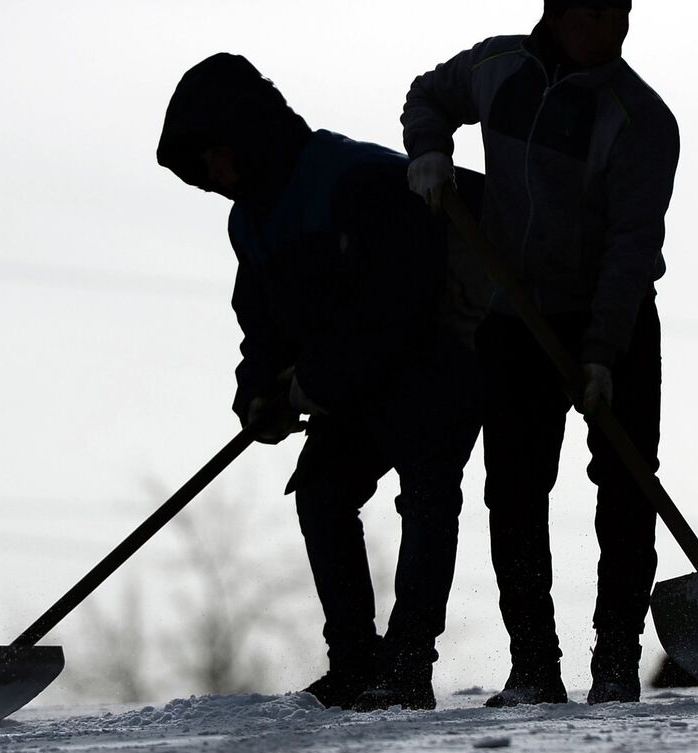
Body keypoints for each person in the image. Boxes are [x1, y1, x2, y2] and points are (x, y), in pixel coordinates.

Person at [159, 53, 481, 711]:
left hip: (437, 363)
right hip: (351, 387)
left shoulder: (356, 179)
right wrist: (259, 394)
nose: (211, 176)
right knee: (323, 493)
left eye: (214, 156)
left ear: (245, 136)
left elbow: (402, 299)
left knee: (426, 495)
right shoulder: (249, 220)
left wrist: (318, 383)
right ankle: (356, 663)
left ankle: (406, 665)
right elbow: (264, 325)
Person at [401, 0, 678, 705]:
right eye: (599, 13)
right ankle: (534, 667)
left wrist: (602, 353)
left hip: (613, 320)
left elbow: (631, 246)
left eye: (624, 13)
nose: (614, 30)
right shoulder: (498, 67)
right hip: (515, 321)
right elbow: (430, 94)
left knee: (626, 487)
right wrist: (429, 150)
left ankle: (615, 664)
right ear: (558, 10)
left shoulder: (641, 119)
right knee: (515, 493)